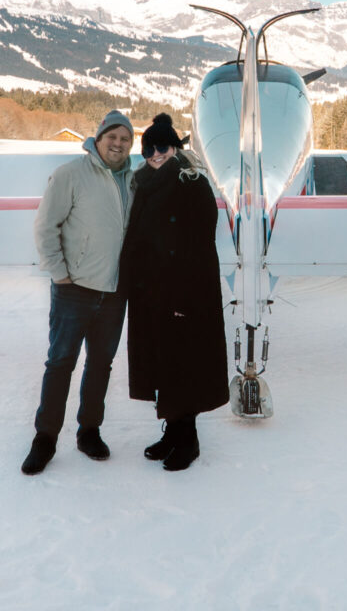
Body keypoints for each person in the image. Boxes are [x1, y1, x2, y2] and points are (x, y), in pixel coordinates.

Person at [21, 110, 135, 475]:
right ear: (98, 138)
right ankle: (45, 439)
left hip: (115, 291)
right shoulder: (72, 174)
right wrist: (59, 273)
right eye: (112, 137)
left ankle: (89, 431)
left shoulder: (134, 180)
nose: (117, 144)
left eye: (125, 139)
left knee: (101, 364)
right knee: (60, 364)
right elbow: (45, 227)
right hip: (74, 289)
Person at [120, 113, 229, 471]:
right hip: (153, 293)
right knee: (164, 365)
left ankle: (189, 441)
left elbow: (200, 246)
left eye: (162, 147)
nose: (154, 154)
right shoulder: (147, 182)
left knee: (184, 366)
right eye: (148, 148)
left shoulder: (191, 181)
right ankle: (172, 432)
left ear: (176, 147)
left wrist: (186, 298)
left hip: (184, 293)